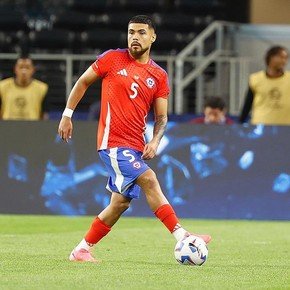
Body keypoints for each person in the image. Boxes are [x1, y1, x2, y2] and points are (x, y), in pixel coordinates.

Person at [58, 15, 211, 263]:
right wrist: (67, 115)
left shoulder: (158, 75)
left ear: (152, 37)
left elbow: (161, 116)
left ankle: (81, 250)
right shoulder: (111, 59)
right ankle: (182, 235)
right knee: (149, 179)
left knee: (119, 204)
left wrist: (155, 140)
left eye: (141, 32)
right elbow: (83, 81)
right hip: (112, 143)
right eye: (131, 32)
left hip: (135, 145)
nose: (135, 37)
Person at [239, 46, 290, 125]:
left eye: (286, 58)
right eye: (281, 57)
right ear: (270, 58)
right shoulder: (255, 79)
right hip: (261, 127)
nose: (284, 61)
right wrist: (240, 122)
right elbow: (248, 104)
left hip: (285, 127)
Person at [0, 55, 49, 120]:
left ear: (33, 70)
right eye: (21, 67)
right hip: (7, 126)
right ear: (15, 69)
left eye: (27, 67)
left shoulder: (42, 88)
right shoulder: (2, 86)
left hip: (33, 127)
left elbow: (45, 114)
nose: (24, 71)